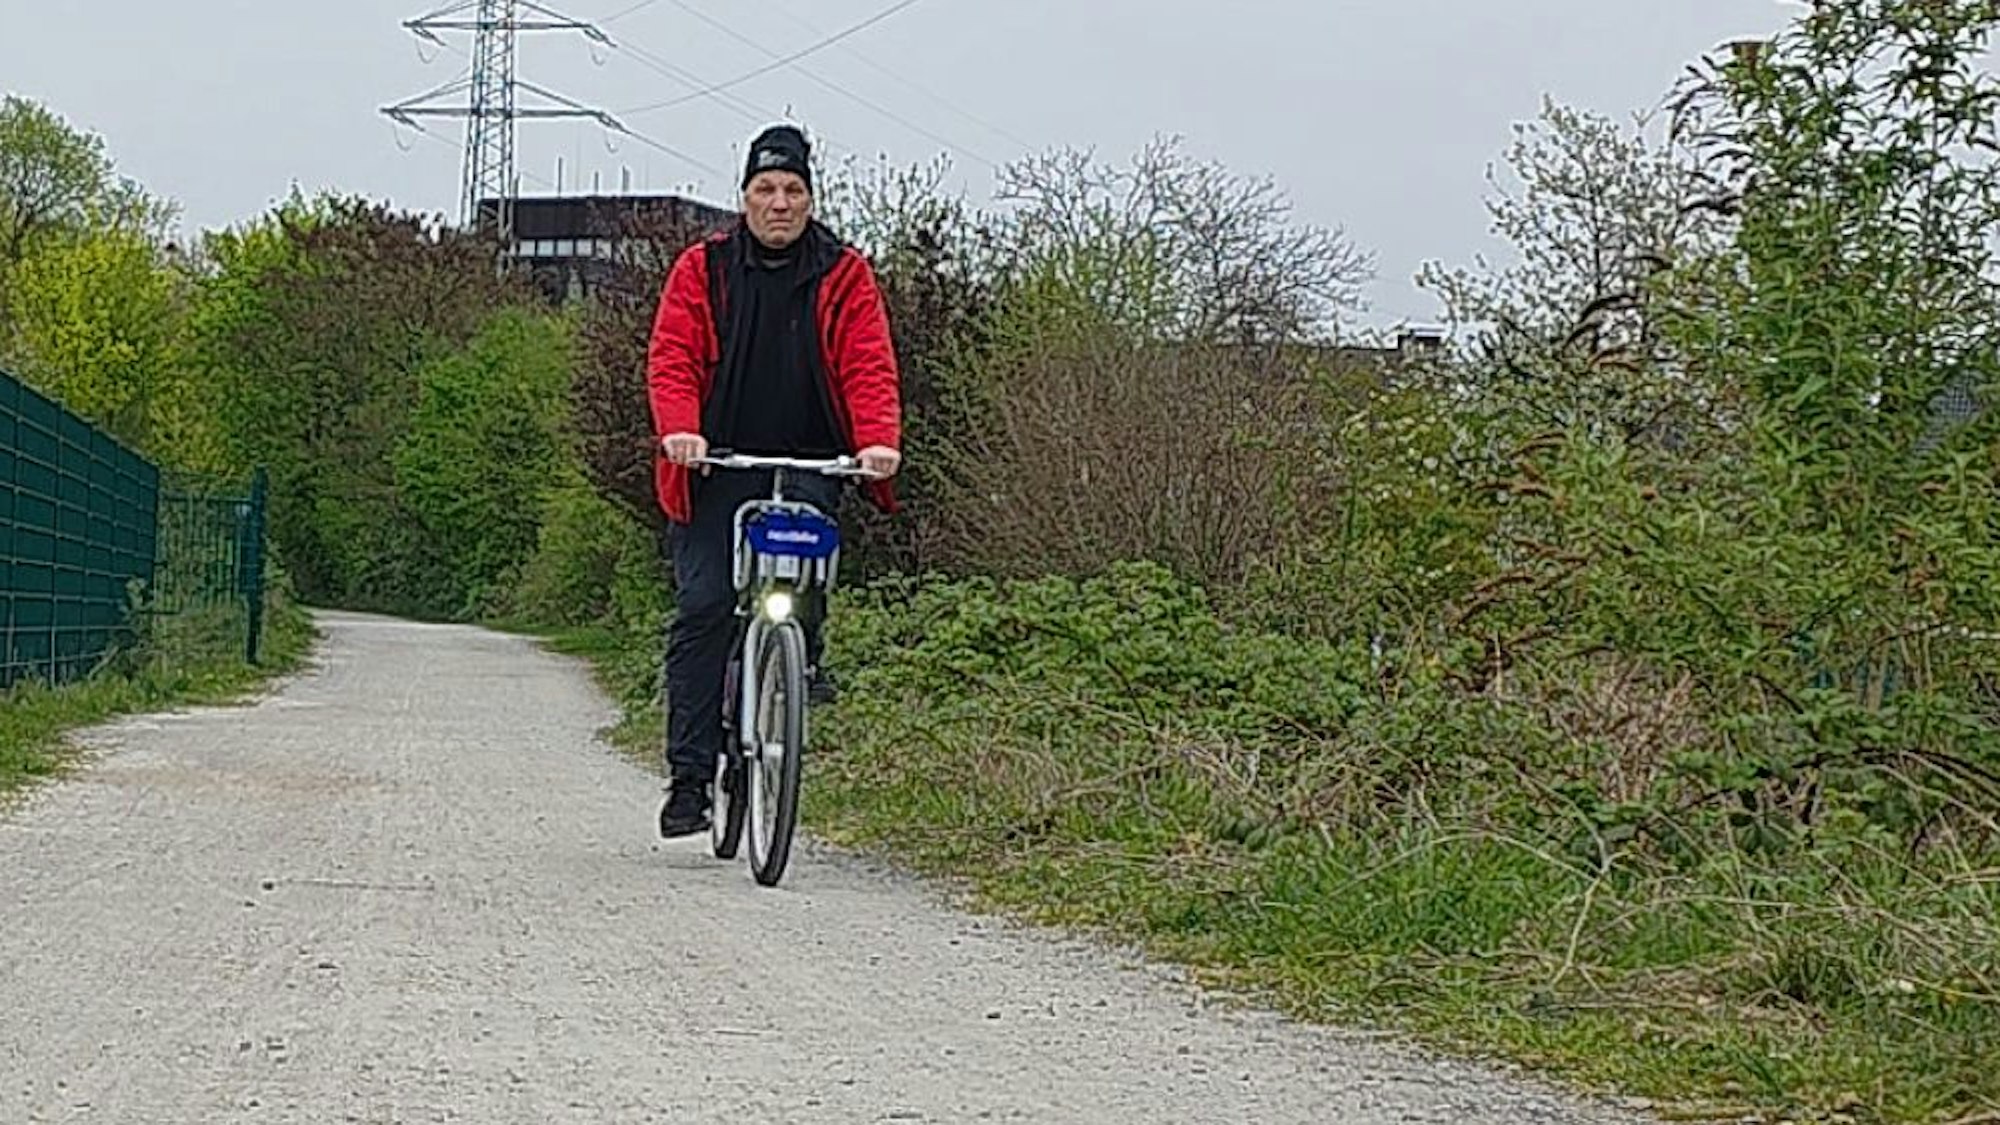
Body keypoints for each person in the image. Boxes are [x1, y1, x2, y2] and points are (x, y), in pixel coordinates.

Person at [646, 123, 903, 838]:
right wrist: (680, 430)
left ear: (811, 198)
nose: (780, 203)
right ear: (745, 197)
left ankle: (797, 667)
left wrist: (877, 442)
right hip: (717, 460)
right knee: (703, 606)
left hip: (810, 459)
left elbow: (868, 363)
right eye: (766, 189)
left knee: (807, 585)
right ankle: (691, 777)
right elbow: (673, 355)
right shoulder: (705, 269)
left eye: (793, 190)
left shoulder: (844, 272)